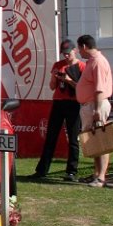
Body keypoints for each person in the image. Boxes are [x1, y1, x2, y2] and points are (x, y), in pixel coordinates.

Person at [33, 39, 83, 181]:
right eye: (64, 54)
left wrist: (67, 80)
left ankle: (71, 171)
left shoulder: (81, 66)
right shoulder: (58, 65)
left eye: (68, 53)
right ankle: (42, 169)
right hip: (58, 102)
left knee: (73, 138)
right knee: (51, 136)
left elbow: (80, 87)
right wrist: (55, 77)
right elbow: (52, 87)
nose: (66, 56)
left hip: (73, 103)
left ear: (75, 51)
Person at [75, 34, 113, 188]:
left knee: (101, 141)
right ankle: (96, 174)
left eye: (79, 48)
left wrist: (97, 109)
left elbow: (99, 88)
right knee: (94, 141)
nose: (79, 52)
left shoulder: (97, 61)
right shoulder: (93, 61)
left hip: (95, 105)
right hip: (90, 104)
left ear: (84, 46)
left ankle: (101, 176)